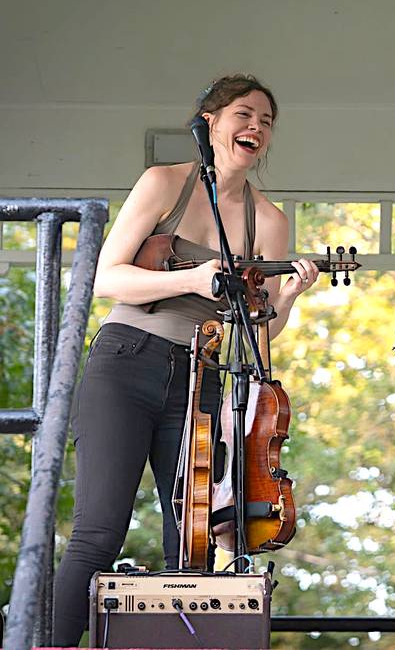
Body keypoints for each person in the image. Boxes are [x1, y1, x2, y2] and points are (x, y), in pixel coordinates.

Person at [53, 74, 319, 646]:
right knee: (99, 531)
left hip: (202, 377)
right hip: (127, 358)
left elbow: (259, 336)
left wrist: (288, 297)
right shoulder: (163, 183)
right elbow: (104, 277)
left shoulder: (266, 221)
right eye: (244, 114)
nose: (257, 127)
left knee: (192, 540)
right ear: (210, 122)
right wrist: (197, 277)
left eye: (267, 121)